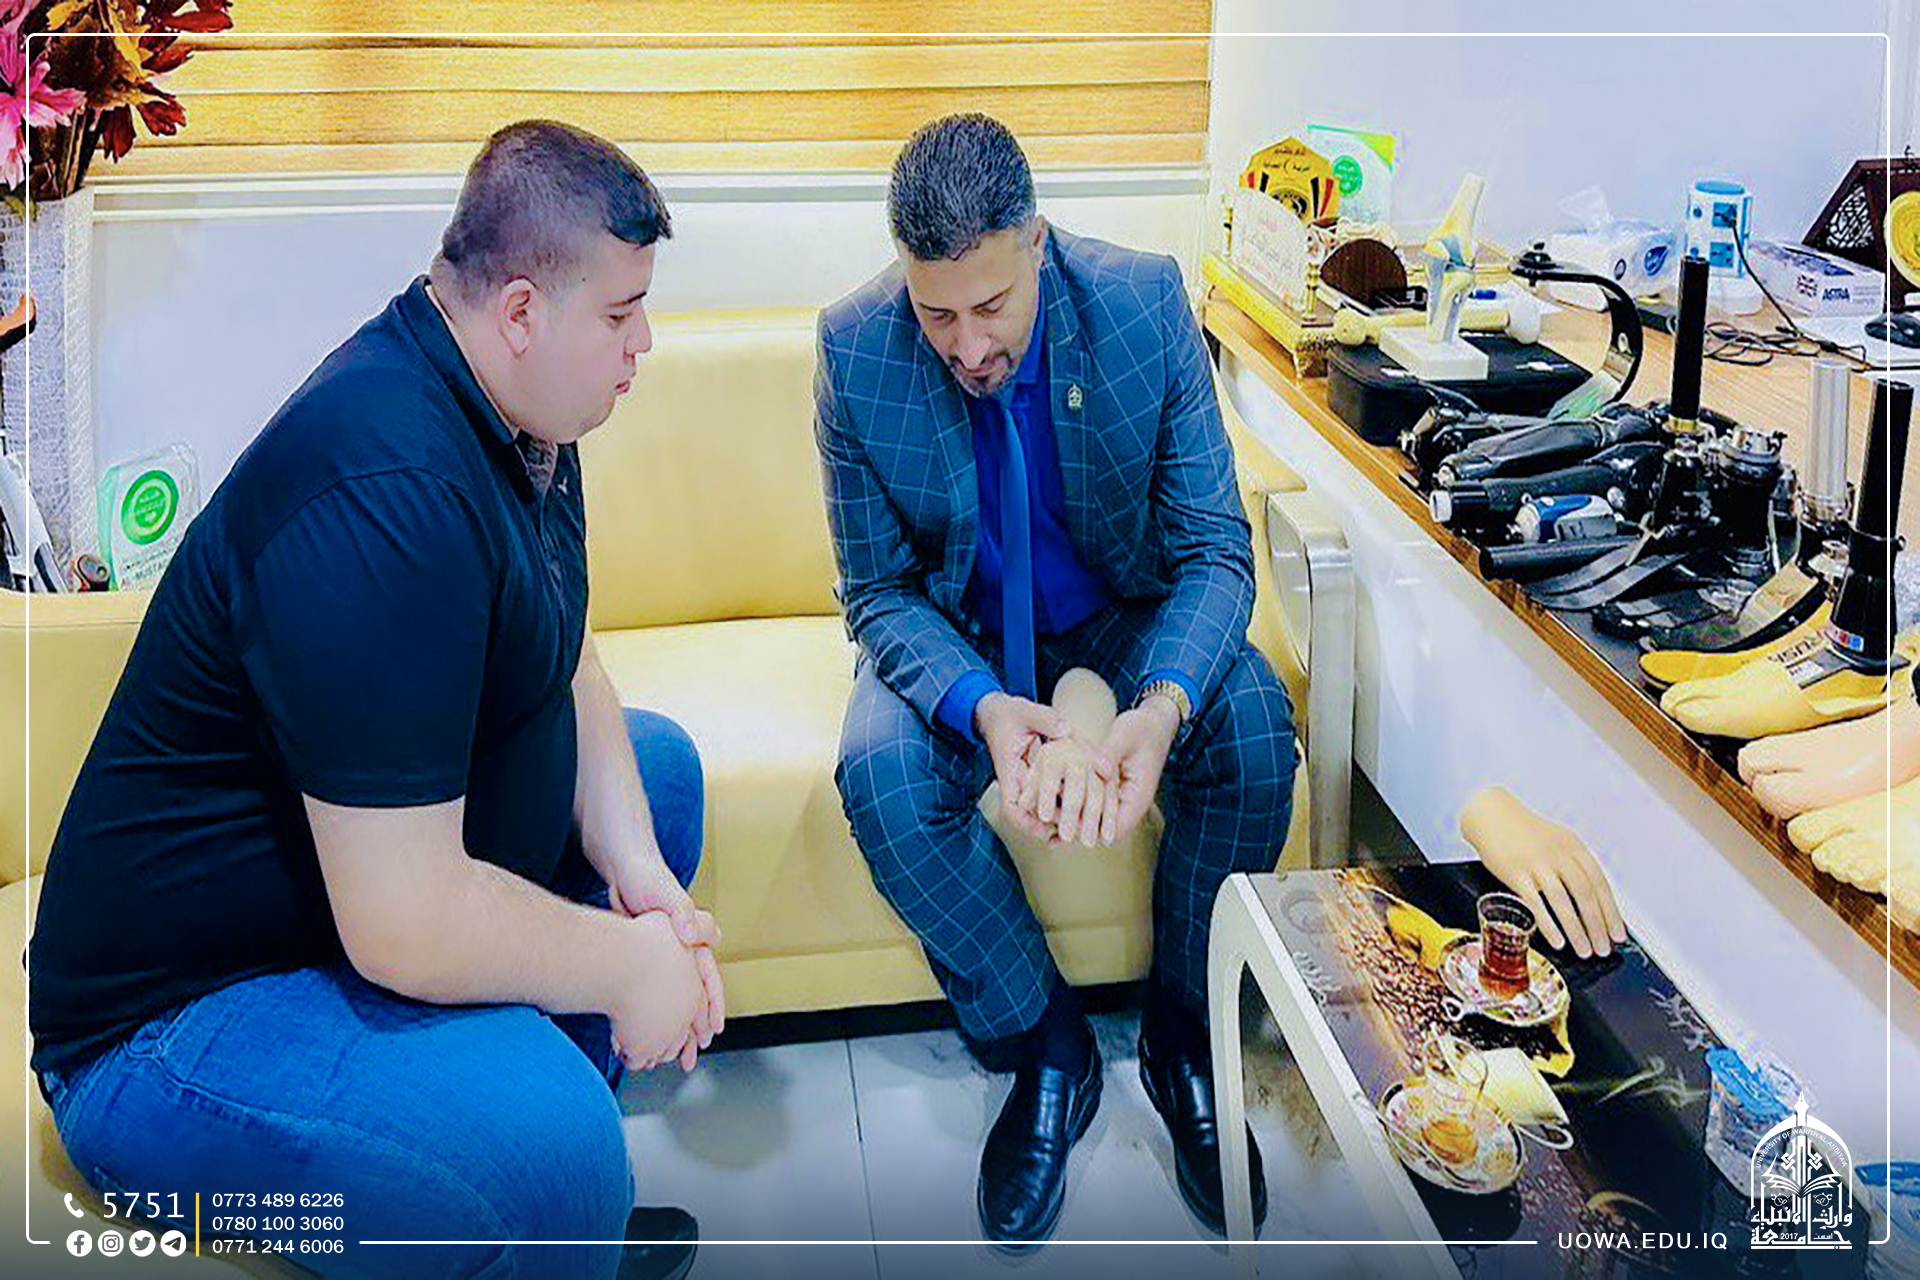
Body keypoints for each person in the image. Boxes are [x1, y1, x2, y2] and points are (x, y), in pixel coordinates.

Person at [28, 120, 722, 1280]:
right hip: (173, 1024)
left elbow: (570, 654)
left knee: (657, 776)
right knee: (559, 1158)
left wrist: (637, 871)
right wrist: (624, 963)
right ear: (520, 310)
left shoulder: (527, 414)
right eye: (621, 314)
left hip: (338, 902)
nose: (642, 342)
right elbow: (403, 916)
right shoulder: (383, 486)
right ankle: (544, 1197)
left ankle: (544, 1220)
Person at [814, 113, 1298, 1247]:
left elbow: (1215, 551)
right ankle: (1046, 1045)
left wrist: (1162, 706)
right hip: (965, 631)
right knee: (880, 775)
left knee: (1251, 723)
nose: (967, 344)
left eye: (991, 306)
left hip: (1123, 613)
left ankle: (1184, 1030)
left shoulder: (1141, 304)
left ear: (1036, 244)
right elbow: (877, 592)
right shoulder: (854, 348)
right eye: (937, 313)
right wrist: (984, 707)